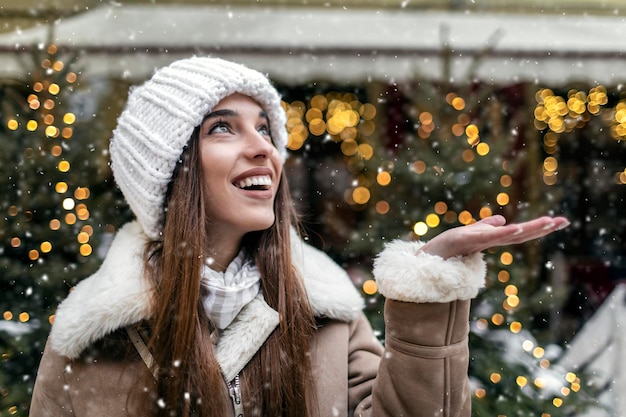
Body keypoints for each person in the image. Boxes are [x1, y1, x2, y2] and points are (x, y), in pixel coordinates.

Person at [29, 57, 570, 417]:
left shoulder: (325, 311)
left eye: (264, 128)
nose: (264, 147)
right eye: (223, 127)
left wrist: (431, 283)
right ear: (167, 171)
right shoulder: (92, 339)